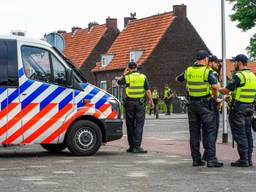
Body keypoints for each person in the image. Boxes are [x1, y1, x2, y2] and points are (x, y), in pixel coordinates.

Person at [176, 50, 223, 167]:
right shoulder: (207, 71)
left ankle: (196, 159)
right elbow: (215, 86)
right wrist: (215, 96)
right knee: (210, 131)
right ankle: (211, 160)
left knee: (194, 133)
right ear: (206, 59)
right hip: (205, 106)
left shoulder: (188, 70)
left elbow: (178, 79)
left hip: (192, 105)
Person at [220, 54, 256, 167]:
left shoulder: (239, 76)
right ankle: (248, 159)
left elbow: (226, 90)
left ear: (240, 62)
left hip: (239, 110)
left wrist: (218, 89)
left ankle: (243, 160)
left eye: (235, 62)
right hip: (249, 108)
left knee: (240, 134)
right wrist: (230, 96)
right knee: (247, 133)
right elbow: (242, 91)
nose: (234, 64)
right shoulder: (252, 76)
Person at [117, 61, 154, 153]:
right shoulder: (143, 77)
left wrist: (124, 74)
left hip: (129, 103)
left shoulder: (128, 77)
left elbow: (118, 83)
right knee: (139, 125)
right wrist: (150, 100)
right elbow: (147, 90)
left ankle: (131, 146)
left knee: (130, 125)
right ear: (136, 68)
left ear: (129, 68)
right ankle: (137, 146)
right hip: (140, 103)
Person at [202, 55, 222, 161]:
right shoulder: (213, 73)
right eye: (216, 62)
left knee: (205, 130)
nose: (218, 65)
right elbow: (215, 88)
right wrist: (216, 98)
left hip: (202, 104)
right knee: (212, 130)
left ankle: (206, 153)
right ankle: (210, 155)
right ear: (210, 63)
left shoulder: (201, 72)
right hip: (211, 104)